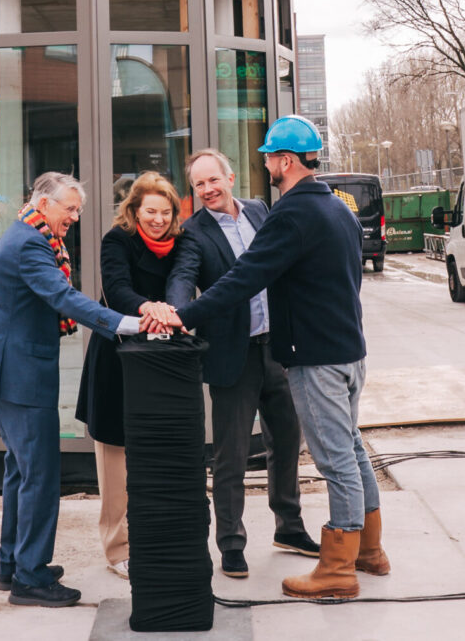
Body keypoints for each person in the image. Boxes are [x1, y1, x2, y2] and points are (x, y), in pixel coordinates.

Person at [171, 116, 389, 600]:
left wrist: (184, 316)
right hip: (349, 350)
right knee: (352, 449)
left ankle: (338, 569)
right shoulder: (338, 209)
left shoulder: (287, 213)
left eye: (269, 157)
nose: (266, 164)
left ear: (286, 161)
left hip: (313, 358)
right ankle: (370, 552)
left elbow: (244, 277)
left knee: (335, 461)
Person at [0, 172, 149, 608]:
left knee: (21, 473)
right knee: (41, 478)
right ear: (43, 203)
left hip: (10, 372)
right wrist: (124, 323)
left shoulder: (25, 234)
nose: (75, 216)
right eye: (69, 208)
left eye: (78, 210)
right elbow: (62, 297)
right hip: (20, 375)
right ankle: (30, 579)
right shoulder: (31, 244)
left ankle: (13, 565)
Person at [165, 149, 318, 579]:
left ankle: (289, 527)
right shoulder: (192, 232)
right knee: (231, 455)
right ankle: (231, 542)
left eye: (214, 180)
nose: (208, 189)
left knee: (287, 441)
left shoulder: (259, 210)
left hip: (279, 349)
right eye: (199, 185)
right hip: (232, 355)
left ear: (230, 177)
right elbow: (182, 276)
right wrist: (178, 313)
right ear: (193, 190)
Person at [75, 172, 183, 581]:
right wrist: (155, 310)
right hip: (116, 360)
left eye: (165, 211)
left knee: (155, 456)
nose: (157, 219)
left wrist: (167, 310)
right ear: (134, 210)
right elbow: (117, 292)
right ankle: (117, 548)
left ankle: (153, 537)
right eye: (150, 211)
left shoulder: (181, 243)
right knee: (115, 461)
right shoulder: (116, 241)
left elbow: (183, 284)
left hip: (160, 360)